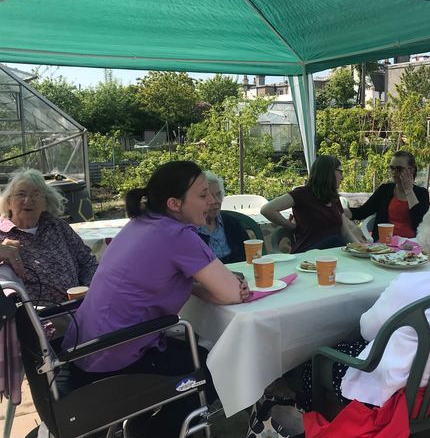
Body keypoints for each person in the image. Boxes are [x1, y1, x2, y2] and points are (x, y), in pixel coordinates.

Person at [62, 161, 250, 437]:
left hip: (85, 350)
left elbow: (168, 280)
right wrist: (211, 284)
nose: (211, 201)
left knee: (194, 352)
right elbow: (232, 294)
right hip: (115, 360)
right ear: (174, 204)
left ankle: (143, 423)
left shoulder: (141, 223)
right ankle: (153, 431)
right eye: (202, 195)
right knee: (218, 366)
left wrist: (195, 281)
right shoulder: (177, 234)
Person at [301, 197, 430, 414]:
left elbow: (367, 331)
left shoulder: (410, 285)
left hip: (394, 391)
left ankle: (315, 421)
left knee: (315, 359)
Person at [0, 168, 97, 305]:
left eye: (36, 194)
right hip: (36, 319)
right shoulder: (2, 234)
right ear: (9, 202)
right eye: (21, 194)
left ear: (45, 202)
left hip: (78, 307)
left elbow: (87, 261)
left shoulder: (57, 226)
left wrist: (91, 289)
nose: (28, 200)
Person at [261, 155, 361, 253]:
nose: (342, 177)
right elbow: (267, 209)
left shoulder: (334, 198)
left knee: (338, 243)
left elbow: (345, 232)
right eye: (340, 171)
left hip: (331, 254)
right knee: (335, 240)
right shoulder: (302, 194)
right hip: (308, 252)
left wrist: (362, 249)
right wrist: (291, 227)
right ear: (329, 172)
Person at [345, 151, 430, 239]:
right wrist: (341, 211)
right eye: (392, 168)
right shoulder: (385, 190)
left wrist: (409, 191)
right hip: (384, 244)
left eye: (399, 169)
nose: (394, 172)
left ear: (411, 170)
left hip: (412, 244)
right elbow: (363, 212)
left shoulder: (421, 193)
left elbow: (421, 222)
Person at [198, 171, 249, 263]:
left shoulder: (232, 223)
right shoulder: (190, 231)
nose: (216, 201)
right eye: (208, 196)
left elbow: (249, 255)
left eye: (218, 194)